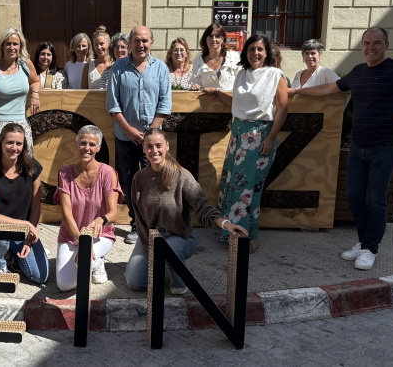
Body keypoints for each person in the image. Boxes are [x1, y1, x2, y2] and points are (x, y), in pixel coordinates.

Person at [289, 27, 393, 270]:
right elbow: (330, 89)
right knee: (353, 196)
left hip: (385, 145)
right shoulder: (358, 72)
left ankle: (371, 248)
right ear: (362, 46)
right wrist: (297, 91)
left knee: (376, 199)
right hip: (358, 145)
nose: (371, 48)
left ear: (386, 45)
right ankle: (363, 242)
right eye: (367, 43)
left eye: (376, 43)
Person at [125, 128, 248, 295]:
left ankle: (179, 280)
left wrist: (225, 224)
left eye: (159, 145)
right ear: (144, 149)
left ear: (167, 146)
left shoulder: (182, 176)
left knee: (170, 253)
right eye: (149, 146)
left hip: (178, 236)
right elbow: (138, 216)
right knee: (135, 282)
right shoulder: (139, 178)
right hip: (150, 236)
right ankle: (162, 263)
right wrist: (148, 243)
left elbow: (202, 207)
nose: (154, 151)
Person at [203, 34, 288, 254]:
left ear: (267, 52)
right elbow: (239, 104)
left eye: (260, 49)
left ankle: (250, 237)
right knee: (232, 184)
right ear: (246, 53)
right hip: (238, 134)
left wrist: (270, 138)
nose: (255, 53)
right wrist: (217, 93)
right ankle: (231, 233)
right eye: (251, 49)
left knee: (248, 189)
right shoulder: (241, 74)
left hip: (260, 136)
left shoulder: (275, 75)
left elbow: (283, 109)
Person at [106, 25, 172, 244]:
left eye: (145, 41)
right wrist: (130, 130)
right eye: (136, 40)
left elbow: (165, 104)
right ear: (131, 43)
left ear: (151, 43)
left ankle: (155, 224)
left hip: (153, 142)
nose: (141, 45)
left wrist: (150, 134)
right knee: (131, 183)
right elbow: (113, 106)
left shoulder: (161, 68)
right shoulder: (118, 68)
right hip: (126, 138)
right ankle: (136, 224)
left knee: (157, 182)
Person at [0, 124, 48, 283]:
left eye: (19, 143)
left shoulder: (33, 168)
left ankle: (13, 255)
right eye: (9, 142)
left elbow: (36, 206)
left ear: (24, 146)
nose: (14, 147)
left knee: (40, 276)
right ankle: (0, 262)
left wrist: (29, 239)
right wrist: (26, 225)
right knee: (0, 240)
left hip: (21, 232)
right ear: (1, 143)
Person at [55, 125, 122, 291]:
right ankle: (91, 261)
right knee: (64, 285)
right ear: (77, 145)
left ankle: (97, 262)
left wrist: (101, 219)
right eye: (83, 143)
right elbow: (66, 214)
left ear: (98, 148)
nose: (87, 148)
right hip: (72, 235)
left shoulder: (108, 173)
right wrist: (81, 241)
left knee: (85, 261)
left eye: (92, 144)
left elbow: (114, 214)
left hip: (100, 234)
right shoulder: (64, 173)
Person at [0, 27, 40, 163]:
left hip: (21, 125)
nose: (12, 47)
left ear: (21, 46)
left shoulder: (26, 64)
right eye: (8, 43)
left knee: (24, 168)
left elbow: (35, 81)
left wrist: (35, 94)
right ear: (2, 46)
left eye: (15, 44)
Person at [189, 23, 241, 91]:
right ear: (205, 39)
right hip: (207, 101)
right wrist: (193, 86)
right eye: (210, 36)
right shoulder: (198, 61)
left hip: (229, 100)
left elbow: (241, 82)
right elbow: (193, 82)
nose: (214, 39)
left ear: (223, 39)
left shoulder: (234, 58)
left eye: (217, 36)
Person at [84, 26, 113, 90]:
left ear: (109, 43)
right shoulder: (88, 66)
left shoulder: (116, 64)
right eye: (96, 44)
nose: (99, 47)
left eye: (102, 44)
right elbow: (83, 91)